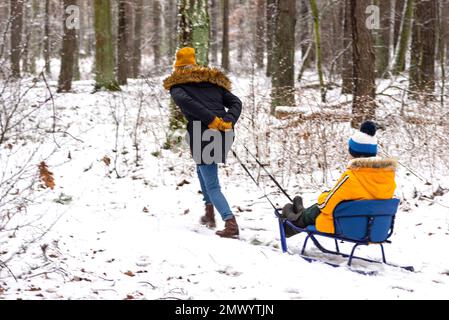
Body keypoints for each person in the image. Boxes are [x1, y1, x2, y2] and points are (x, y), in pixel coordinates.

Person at [163, 47, 242, 238]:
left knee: (212, 182)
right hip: (221, 132)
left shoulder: (177, 87)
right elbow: (236, 102)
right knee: (202, 170)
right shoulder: (212, 82)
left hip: (204, 133)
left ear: (178, 67)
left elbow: (189, 104)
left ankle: (230, 222)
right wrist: (227, 120)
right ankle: (209, 213)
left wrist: (214, 121)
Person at [281, 121, 397, 237]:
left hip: (346, 226)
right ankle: (301, 213)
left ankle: (294, 221)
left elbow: (326, 205)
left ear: (354, 153)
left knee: (319, 207)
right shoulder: (388, 178)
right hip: (374, 229)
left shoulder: (352, 177)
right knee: (334, 205)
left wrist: (325, 195)